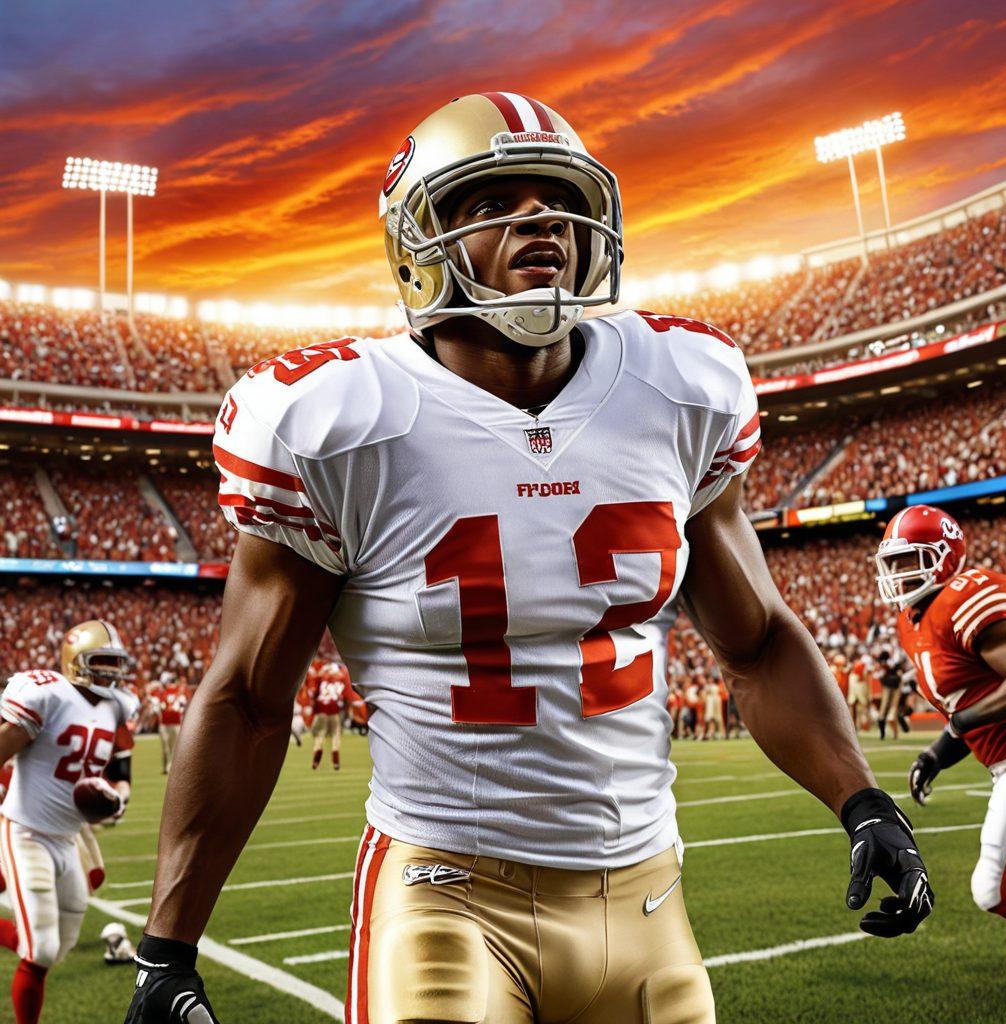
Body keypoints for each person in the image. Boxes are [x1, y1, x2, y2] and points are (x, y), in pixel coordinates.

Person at [124, 93, 932, 1024]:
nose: (538, 218)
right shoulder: (337, 421)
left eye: (556, 197)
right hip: (443, 898)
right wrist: (167, 950)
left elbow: (755, 643)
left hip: (649, 898)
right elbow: (250, 701)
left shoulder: (680, 385)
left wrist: (862, 798)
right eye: (490, 202)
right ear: (418, 242)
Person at [877, 504, 1006, 931]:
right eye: (893, 562)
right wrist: (938, 753)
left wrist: (959, 724)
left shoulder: (963, 597)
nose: (899, 572)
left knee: (995, 888)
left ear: (945, 556)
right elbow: (971, 700)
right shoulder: (912, 623)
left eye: (910, 560)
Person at [0, 620, 138, 1024]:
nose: (112, 672)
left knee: (58, 947)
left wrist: (116, 799)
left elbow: (119, 777)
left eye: (117, 663)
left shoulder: (116, 707)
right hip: (26, 830)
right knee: (40, 949)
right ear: (75, 662)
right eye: (102, 662)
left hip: (67, 835)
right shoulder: (46, 694)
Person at [876, 651, 902, 740]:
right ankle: (883, 733)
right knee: (884, 710)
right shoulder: (884, 666)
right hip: (889, 687)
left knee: (891, 710)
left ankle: (893, 733)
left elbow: (899, 676)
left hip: (894, 687)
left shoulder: (892, 664)